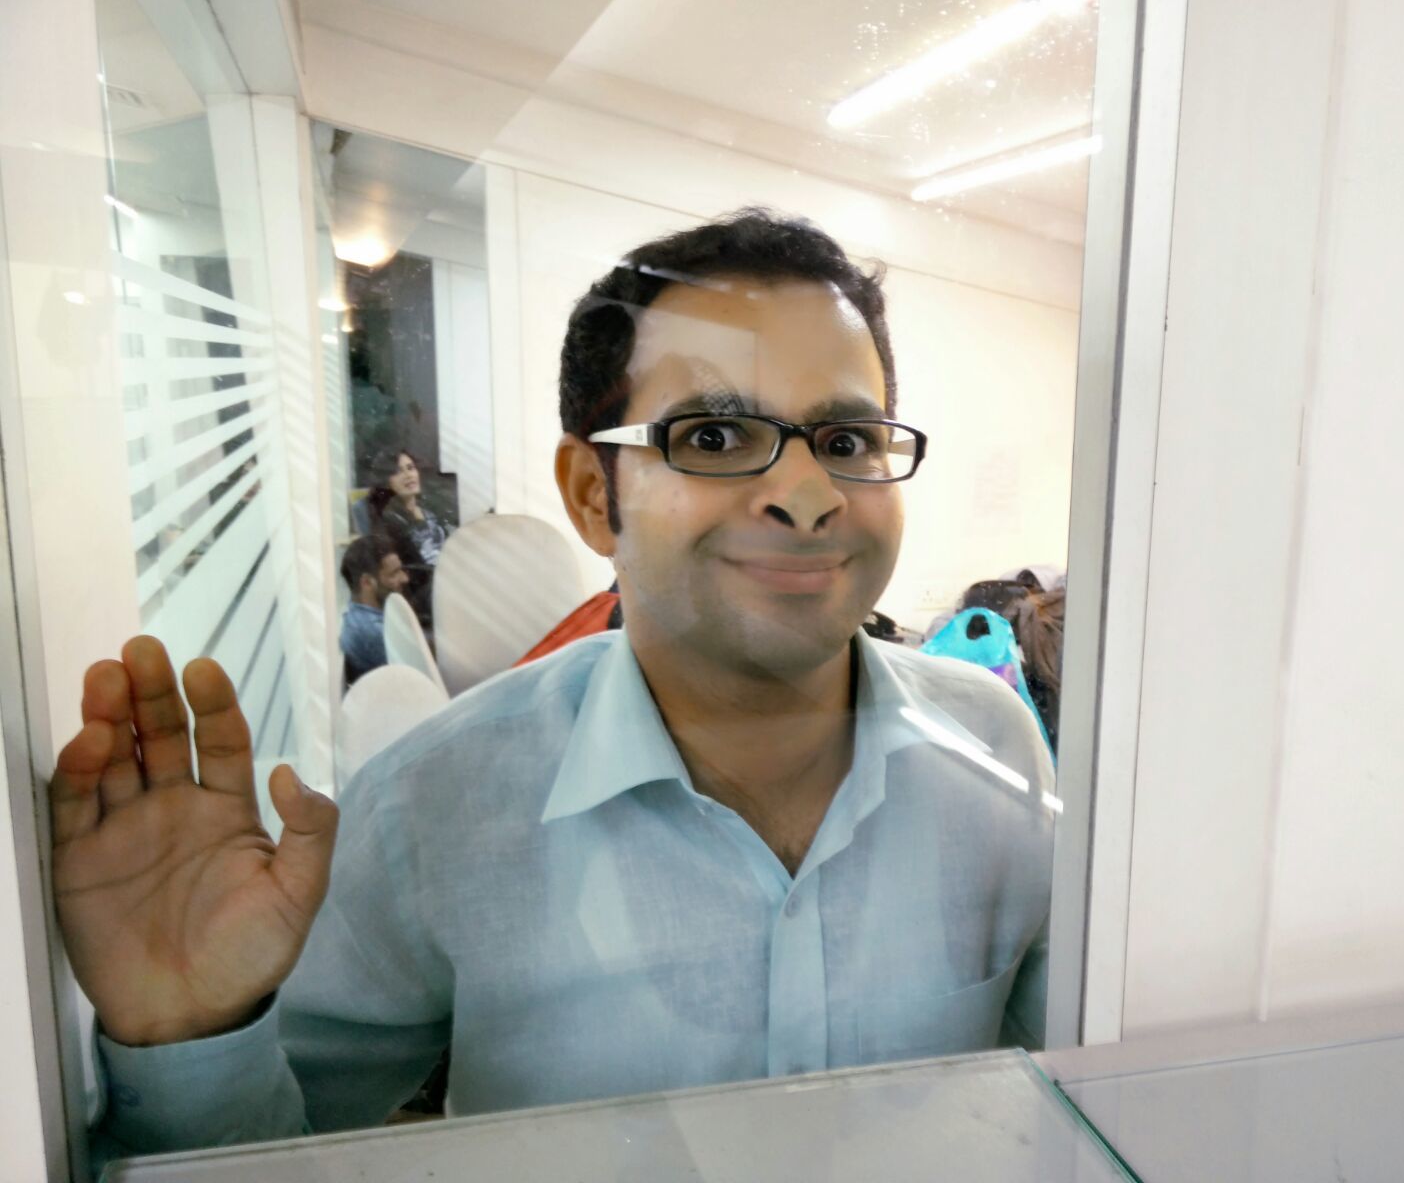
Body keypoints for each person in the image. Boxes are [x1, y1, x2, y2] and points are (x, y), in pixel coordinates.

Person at [50, 209, 1056, 1157]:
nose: (805, 495)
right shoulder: (439, 803)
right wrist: (195, 1037)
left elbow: (1070, 1086)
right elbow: (284, 1152)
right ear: (590, 493)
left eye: (845, 443)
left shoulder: (993, 751)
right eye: (712, 438)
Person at [363, 448, 451, 625]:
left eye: (410, 468)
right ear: (386, 481)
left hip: (447, 582)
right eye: (398, 471)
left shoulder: (430, 511)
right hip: (426, 592)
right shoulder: (389, 520)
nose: (408, 475)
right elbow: (414, 572)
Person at [338, 535, 408, 686]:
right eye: (394, 573)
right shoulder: (372, 631)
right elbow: (415, 678)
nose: (404, 578)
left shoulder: (358, 615)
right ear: (367, 582)